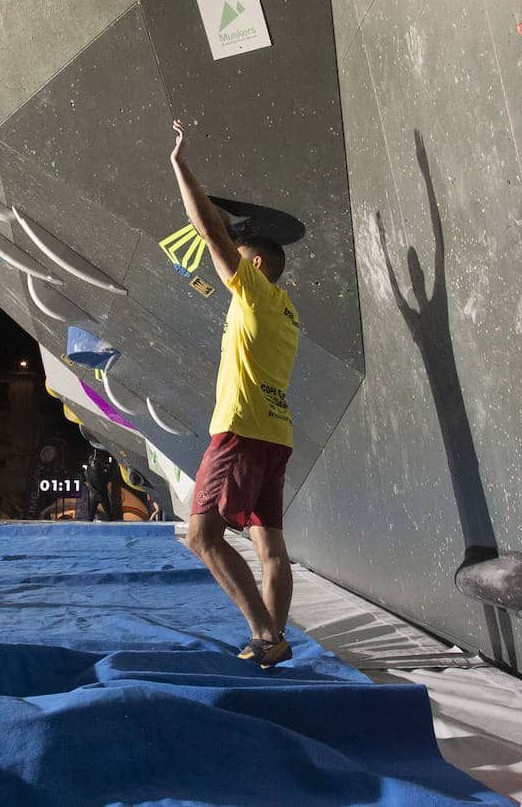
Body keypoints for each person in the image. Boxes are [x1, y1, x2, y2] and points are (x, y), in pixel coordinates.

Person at [170, 119, 300, 669]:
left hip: (241, 429)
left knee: (202, 535)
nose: (224, 263)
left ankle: (266, 636)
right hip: (275, 434)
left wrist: (180, 165)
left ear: (256, 264)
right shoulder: (286, 310)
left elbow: (210, 232)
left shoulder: (253, 292)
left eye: (237, 256)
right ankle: (270, 645)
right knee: (270, 550)